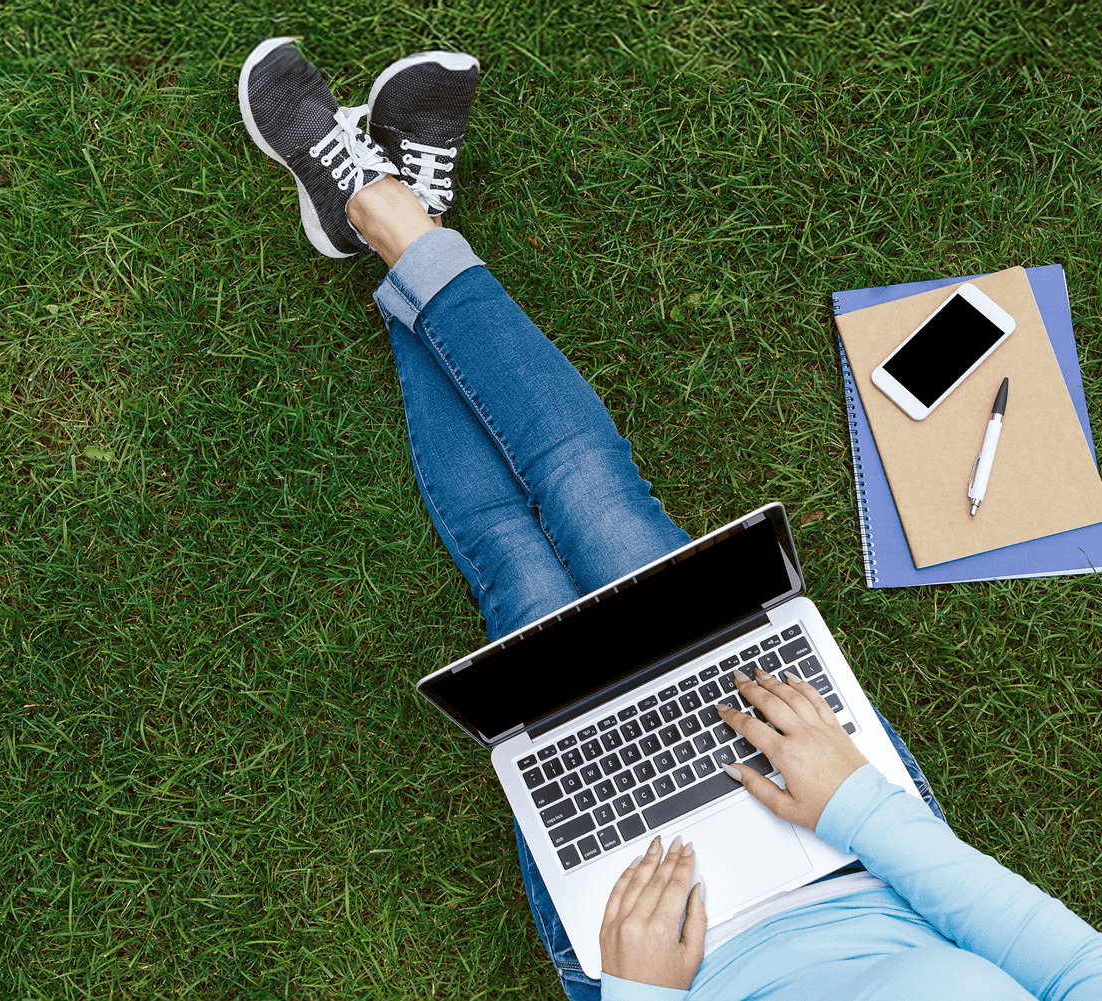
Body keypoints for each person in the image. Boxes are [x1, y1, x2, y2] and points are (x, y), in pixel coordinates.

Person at [237, 38, 1102, 1000]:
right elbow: (1077, 968)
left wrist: (642, 993)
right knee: (596, 498)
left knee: (518, 573)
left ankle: (383, 210)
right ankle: (392, 215)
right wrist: (858, 806)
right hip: (863, 857)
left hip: (658, 958)